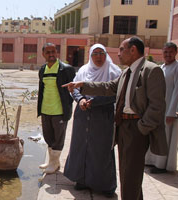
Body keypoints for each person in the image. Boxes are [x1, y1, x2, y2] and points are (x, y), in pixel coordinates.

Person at [63, 36, 168, 200]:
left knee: (131, 174)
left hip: (136, 127)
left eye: (121, 49)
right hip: (123, 125)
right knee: (127, 173)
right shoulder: (127, 72)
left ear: (133, 50)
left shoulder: (150, 70)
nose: (118, 54)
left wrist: (142, 127)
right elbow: (109, 87)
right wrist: (82, 85)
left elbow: (157, 106)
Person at [64, 44, 121, 197]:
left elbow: (116, 94)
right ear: (90, 55)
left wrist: (94, 102)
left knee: (101, 148)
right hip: (83, 113)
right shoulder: (83, 70)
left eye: (101, 53)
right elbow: (74, 88)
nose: (98, 56)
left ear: (106, 54)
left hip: (103, 115)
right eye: (94, 53)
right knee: (81, 145)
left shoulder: (114, 71)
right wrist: (81, 99)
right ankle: (81, 180)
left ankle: (105, 185)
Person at [37, 42, 75, 174]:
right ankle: (52, 162)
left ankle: (54, 164)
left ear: (57, 53)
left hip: (59, 110)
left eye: (53, 51)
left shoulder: (66, 69)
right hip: (45, 109)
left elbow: (74, 90)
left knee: (58, 138)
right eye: (48, 52)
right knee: (48, 137)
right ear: (43, 54)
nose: (51, 54)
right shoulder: (42, 70)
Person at [145, 42, 178, 173]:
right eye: (165, 52)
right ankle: (151, 161)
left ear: (175, 52)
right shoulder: (162, 67)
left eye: (170, 52)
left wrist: (171, 112)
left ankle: (161, 165)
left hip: (169, 110)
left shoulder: (176, 68)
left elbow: (177, 91)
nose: (167, 54)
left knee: (165, 137)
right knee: (155, 135)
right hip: (157, 109)